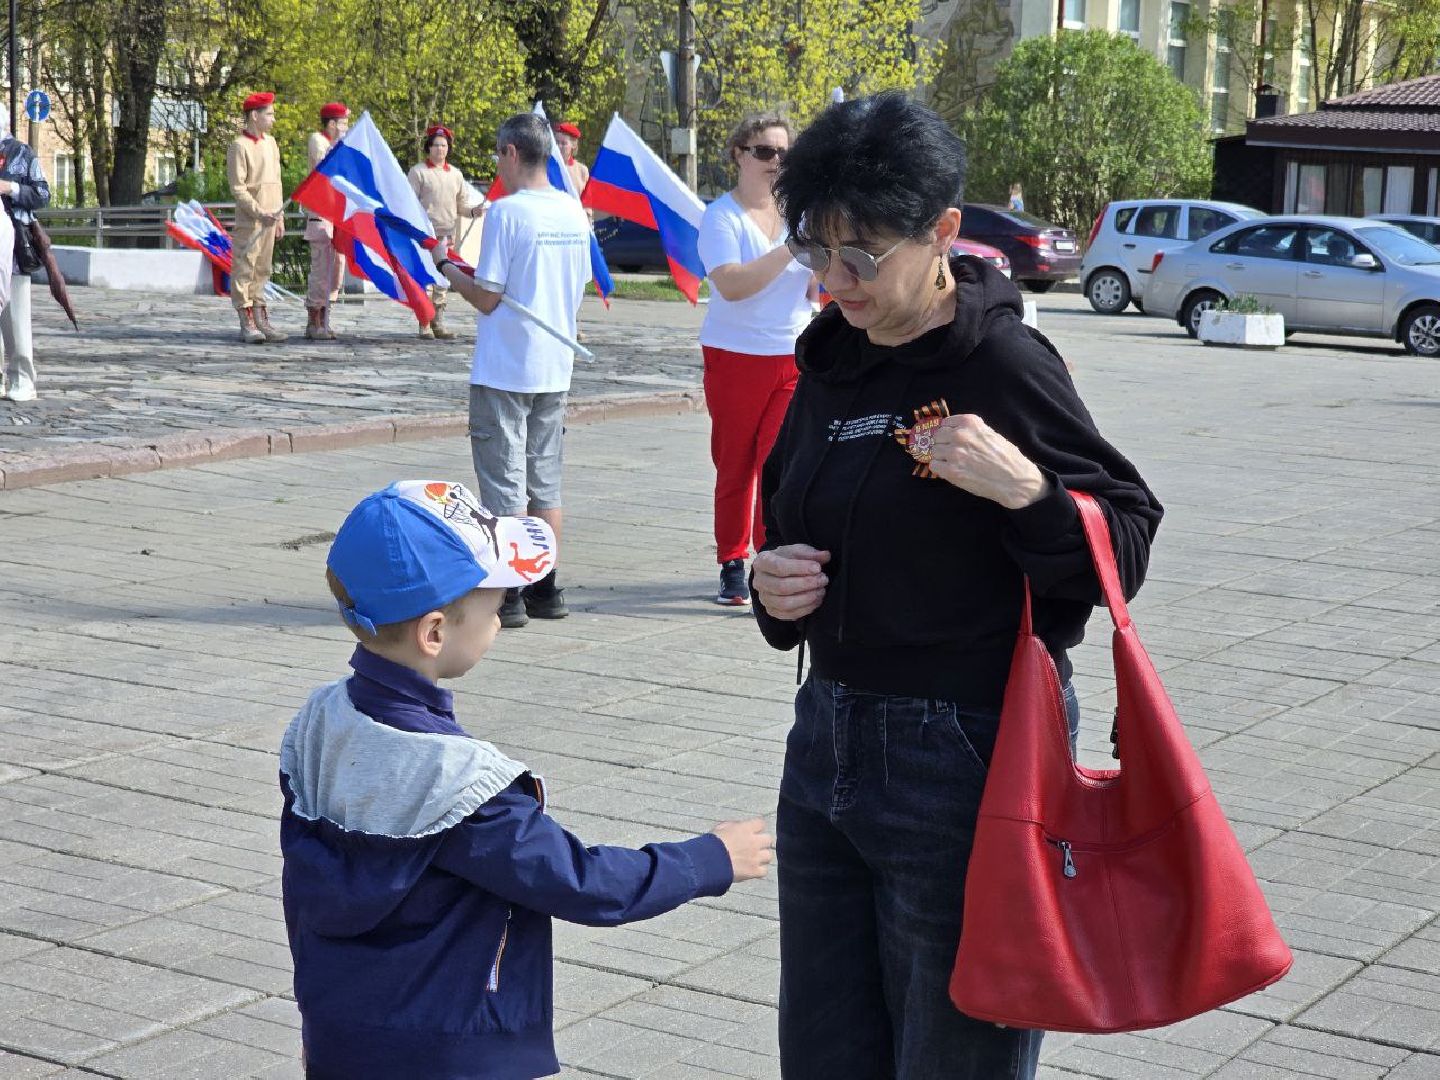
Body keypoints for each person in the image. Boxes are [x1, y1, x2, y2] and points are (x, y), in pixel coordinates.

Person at [754, 92, 1163, 1079]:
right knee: (823, 1052)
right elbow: (788, 517)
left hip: (966, 753)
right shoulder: (832, 363)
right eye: (815, 250)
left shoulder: (1001, 361)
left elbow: (1126, 540)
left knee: (956, 1053)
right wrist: (774, 587)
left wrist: (1031, 493)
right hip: (826, 742)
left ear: (942, 232)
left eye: (862, 256)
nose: (834, 281)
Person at [282, 479, 773, 1078]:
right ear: (434, 633)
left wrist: (318, 1024)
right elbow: (583, 882)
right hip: (452, 1054)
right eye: (495, 608)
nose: (499, 621)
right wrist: (708, 859)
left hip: (342, 1036)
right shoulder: (462, 786)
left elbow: (306, 887)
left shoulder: (319, 723)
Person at [430, 112, 589, 631]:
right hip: (555, 365)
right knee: (546, 482)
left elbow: (488, 296)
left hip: (506, 367)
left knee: (504, 483)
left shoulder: (506, 212)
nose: (498, 164)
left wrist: (447, 268)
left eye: (499, 154)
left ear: (513, 153)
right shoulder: (572, 209)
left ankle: (510, 591)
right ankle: (546, 585)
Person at [697, 113, 815, 606]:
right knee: (736, 465)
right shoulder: (721, 217)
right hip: (735, 356)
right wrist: (791, 249)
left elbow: (815, 286)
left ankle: (767, 558)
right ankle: (731, 558)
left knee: (776, 465)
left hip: (791, 355)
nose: (776, 162)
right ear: (739, 155)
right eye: (764, 151)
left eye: (784, 153)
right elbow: (732, 284)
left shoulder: (799, 214)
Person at [408, 124, 487, 340]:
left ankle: (438, 321)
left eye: (444, 145)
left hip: (446, 236)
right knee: (423, 278)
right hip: (424, 236)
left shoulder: (456, 174)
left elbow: (461, 206)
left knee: (442, 280)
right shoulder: (418, 172)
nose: (440, 149)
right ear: (428, 147)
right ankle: (424, 322)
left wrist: (474, 211)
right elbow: (409, 203)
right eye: (436, 145)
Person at [226, 91, 286, 345]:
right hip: (251, 221)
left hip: (271, 219)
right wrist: (259, 211)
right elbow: (238, 188)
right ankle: (246, 319)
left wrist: (279, 216)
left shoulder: (271, 143)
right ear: (254, 115)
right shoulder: (239, 146)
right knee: (245, 268)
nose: (273, 119)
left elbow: (277, 182)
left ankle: (261, 317)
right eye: (269, 114)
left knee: (263, 268)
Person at [0, 116, 51, 401]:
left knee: (15, 318)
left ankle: (22, 379)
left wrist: (11, 188)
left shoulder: (21, 153)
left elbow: (42, 194)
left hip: (15, 247)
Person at [304, 102, 349, 340]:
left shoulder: (340, 145)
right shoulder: (318, 140)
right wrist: (341, 144)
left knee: (337, 268)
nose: (346, 127)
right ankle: (315, 319)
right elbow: (325, 166)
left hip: (337, 215)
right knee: (321, 269)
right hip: (320, 213)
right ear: (332, 124)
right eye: (343, 123)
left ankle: (326, 314)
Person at [550, 121, 591, 216]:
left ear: (573, 145)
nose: (559, 147)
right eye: (556, 142)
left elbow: (587, 204)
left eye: (564, 143)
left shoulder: (582, 170)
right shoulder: (546, 167)